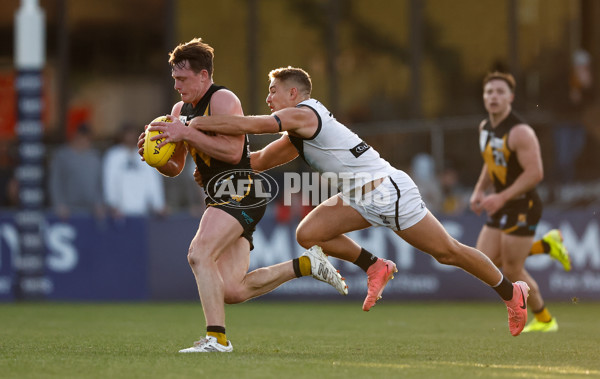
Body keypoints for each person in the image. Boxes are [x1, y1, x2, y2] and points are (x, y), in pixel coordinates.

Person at [154, 66, 533, 337]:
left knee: (448, 252)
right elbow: (257, 162)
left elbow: (256, 125)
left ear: (293, 93)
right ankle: (375, 265)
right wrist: (204, 161)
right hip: (356, 198)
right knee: (309, 233)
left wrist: (193, 127)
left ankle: (510, 291)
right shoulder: (299, 131)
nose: (268, 99)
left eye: (273, 92)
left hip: (388, 192)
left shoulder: (304, 114)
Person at [137, 40, 347, 353]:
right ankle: (306, 265)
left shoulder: (222, 99)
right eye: (174, 79)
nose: (176, 85)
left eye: (182, 79)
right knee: (231, 290)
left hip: (240, 188)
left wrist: (187, 133)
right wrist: (156, 158)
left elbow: (236, 153)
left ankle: (217, 339)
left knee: (198, 254)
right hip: (222, 195)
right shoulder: (179, 111)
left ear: (204, 76)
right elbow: (176, 166)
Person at [470, 71, 570, 333]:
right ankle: (546, 246)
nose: (494, 96)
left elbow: (535, 173)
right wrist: (479, 190)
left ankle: (546, 320)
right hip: (501, 203)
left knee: (513, 268)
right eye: (489, 91)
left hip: (523, 204)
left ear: (511, 97)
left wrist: (501, 196)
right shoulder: (484, 128)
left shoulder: (520, 131)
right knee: (485, 261)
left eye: (500, 92)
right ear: (483, 97)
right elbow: (490, 162)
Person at [103, 124, 166, 218]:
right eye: (128, 134)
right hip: (120, 213)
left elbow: (153, 182)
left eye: (133, 134)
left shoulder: (147, 155)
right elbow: (109, 181)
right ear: (122, 136)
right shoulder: (114, 155)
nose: (131, 137)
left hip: (143, 212)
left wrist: (159, 205)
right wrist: (112, 203)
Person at [48, 123, 105, 220]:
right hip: (68, 210)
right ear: (76, 136)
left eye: (88, 138)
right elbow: (55, 181)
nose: (85, 141)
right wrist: (59, 204)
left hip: (91, 211)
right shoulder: (62, 155)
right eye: (83, 137)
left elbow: (99, 182)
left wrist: (99, 203)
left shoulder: (95, 157)